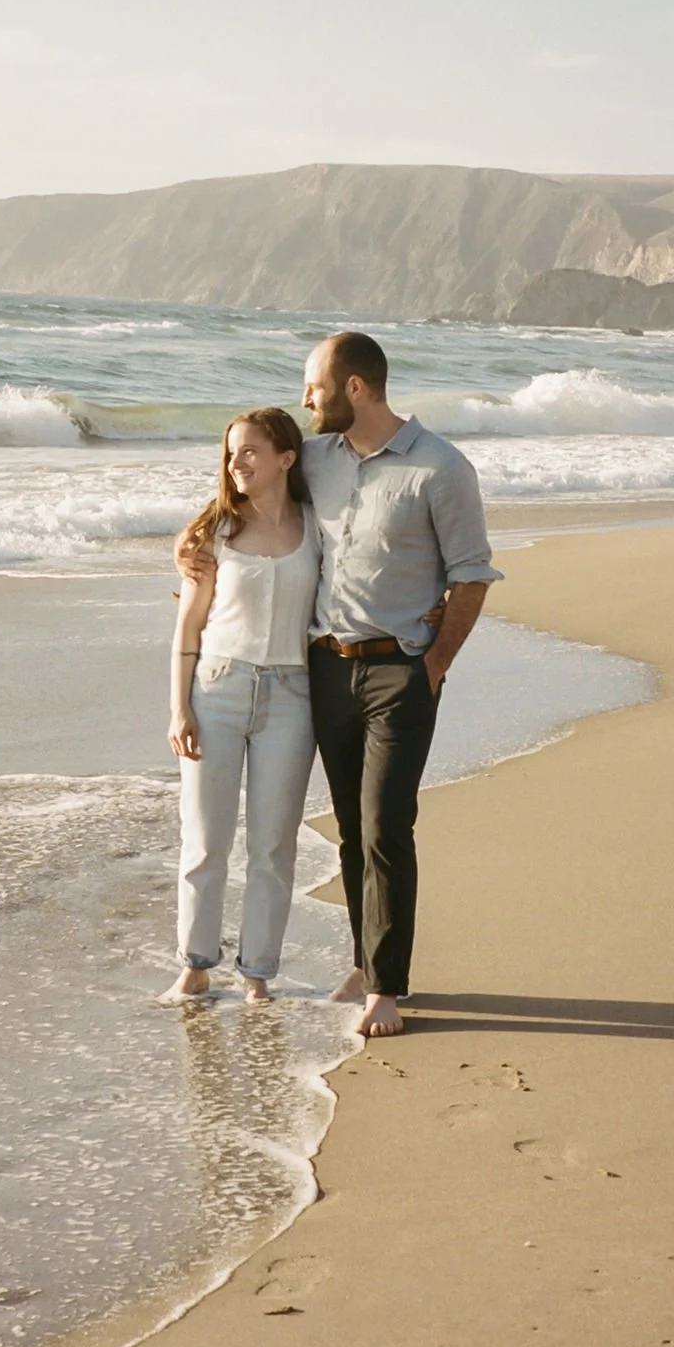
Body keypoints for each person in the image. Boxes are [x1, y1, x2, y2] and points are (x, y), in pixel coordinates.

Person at [179, 333, 501, 1037]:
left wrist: (434, 665)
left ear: (355, 387)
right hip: (324, 667)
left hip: (400, 669)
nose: (306, 400)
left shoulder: (441, 468)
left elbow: (472, 575)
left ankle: (386, 988)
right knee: (353, 828)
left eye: (315, 387)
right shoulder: (317, 457)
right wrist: (194, 543)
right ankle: (362, 961)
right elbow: (252, 493)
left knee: (386, 824)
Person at [164, 409, 322, 1004]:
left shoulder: (319, 527)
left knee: (273, 847)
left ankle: (257, 974)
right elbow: (187, 629)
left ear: (287, 458)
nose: (237, 463)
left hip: (293, 697)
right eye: (231, 453)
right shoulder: (214, 533)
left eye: (251, 451)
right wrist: (179, 709)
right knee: (205, 841)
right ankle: (195, 966)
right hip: (217, 690)